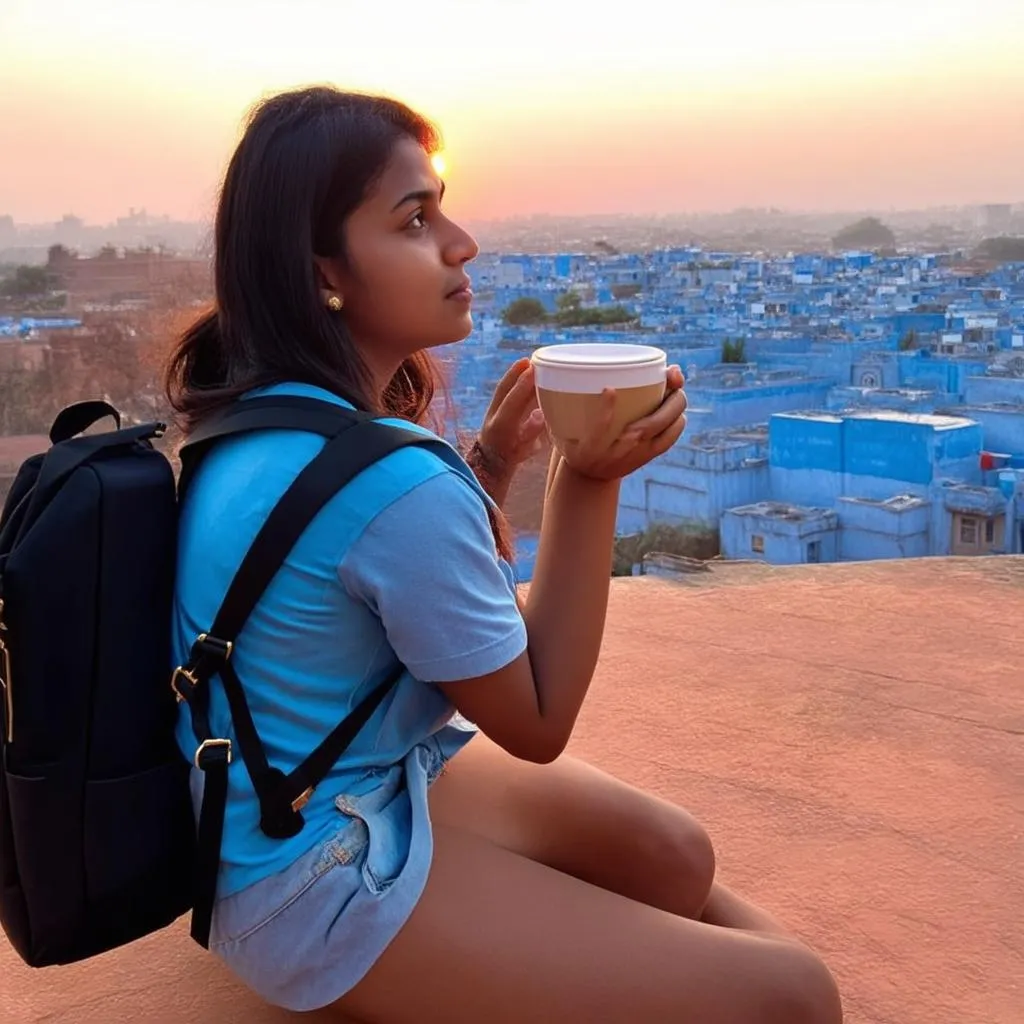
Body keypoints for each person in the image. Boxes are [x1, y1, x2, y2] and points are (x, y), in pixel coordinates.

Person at [165, 86, 843, 1024]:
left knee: (675, 856)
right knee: (796, 999)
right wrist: (589, 480)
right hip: (309, 877)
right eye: (414, 219)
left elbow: (366, 581)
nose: (460, 244)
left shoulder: (254, 421)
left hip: (284, 807)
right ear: (323, 267)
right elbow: (536, 716)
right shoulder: (391, 481)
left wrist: (487, 463)